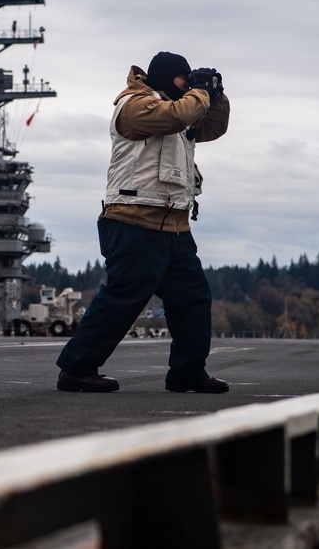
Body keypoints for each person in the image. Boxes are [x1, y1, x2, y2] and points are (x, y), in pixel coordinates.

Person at [55, 51, 231, 393]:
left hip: (174, 226)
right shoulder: (137, 106)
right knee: (124, 298)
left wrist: (217, 94)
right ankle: (77, 368)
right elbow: (179, 115)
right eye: (185, 80)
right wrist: (201, 91)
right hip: (134, 222)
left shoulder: (178, 111)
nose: (189, 87)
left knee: (193, 299)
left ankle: (187, 372)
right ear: (165, 77)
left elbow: (213, 126)